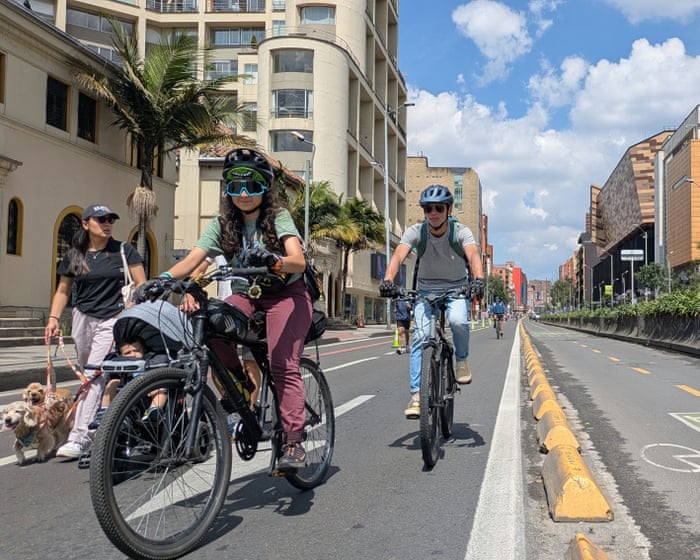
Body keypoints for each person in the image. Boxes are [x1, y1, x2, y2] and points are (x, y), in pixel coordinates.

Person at [151, 148, 312, 471]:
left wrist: (274, 261)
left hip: (287, 294)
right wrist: (162, 280)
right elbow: (194, 258)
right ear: (227, 189)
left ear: (265, 188)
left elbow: (298, 261)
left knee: (281, 364)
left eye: (252, 186)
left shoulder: (278, 218)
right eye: (236, 187)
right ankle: (240, 385)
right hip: (247, 294)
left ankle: (294, 441)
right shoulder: (223, 224)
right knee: (211, 323)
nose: (244, 194)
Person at [45, 204, 146, 459]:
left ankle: (80, 437)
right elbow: (63, 290)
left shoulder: (124, 250)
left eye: (110, 219)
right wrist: (54, 318)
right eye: (101, 219)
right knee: (87, 375)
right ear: (86, 223)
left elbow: (142, 283)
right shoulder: (75, 255)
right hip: (82, 317)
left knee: (94, 375)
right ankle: (106, 424)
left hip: (113, 318)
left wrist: (132, 304)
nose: (107, 224)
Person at [379, 185, 484, 419]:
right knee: (421, 337)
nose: (433, 213)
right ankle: (417, 396)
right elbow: (398, 255)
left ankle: (461, 361)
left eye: (438, 208)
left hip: (456, 288)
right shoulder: (417, 232)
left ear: (448, 209)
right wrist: (387, 280)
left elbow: (473, 255)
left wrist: (478, 279)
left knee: (457, 321)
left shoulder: (461, 232)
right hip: (425, 291)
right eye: (428, 209)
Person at [87, 336, 167, 429]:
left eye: (137, 350)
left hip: (148, 390)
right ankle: (104, 411)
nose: (133, 355)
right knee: (112, 383)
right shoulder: (119, 364)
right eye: (127, 353)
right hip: (126, 391)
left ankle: (154, 411)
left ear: (144, 350)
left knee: (160, 388)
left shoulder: (151, 360)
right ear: (121, 355)